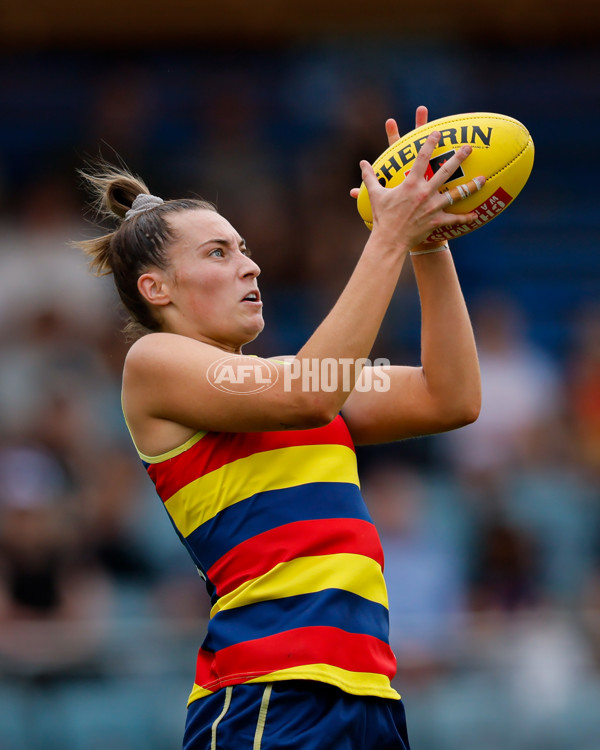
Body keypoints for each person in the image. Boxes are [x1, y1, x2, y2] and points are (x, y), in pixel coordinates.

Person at [75, 106, 483, 750]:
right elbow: (309, 397)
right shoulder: (153, 362)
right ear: (156, 288)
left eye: (245, 249)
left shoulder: (292, 378)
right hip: (268, 692)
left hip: (368, 693)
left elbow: (450, 396)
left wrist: (427, 242)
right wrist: (386, 238)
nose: (251, 266)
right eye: (218, 252)